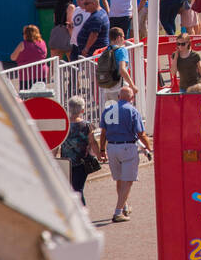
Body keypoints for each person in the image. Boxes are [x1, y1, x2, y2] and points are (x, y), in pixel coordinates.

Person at [98, 86, 152, 223]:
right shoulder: (133, 111)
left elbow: (103, 133)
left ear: (118, 97)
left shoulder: (108, 110)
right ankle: (118, 212)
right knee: (128, 181)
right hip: (127, 147)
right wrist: (149, 147)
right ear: (132, 98)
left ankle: (124, 206)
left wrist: (102, 150)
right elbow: (141, 134)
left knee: (120, 180)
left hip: (112, 147)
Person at [61, 97, 100, 206]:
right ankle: (82, 214)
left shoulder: (64, 124)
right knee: (78, 189)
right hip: (82, 162)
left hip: (66, 161)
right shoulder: (86, 125)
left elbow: (58, 143)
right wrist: (100, 155)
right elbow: (93, 142)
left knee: (71, 188)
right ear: (82, 110)